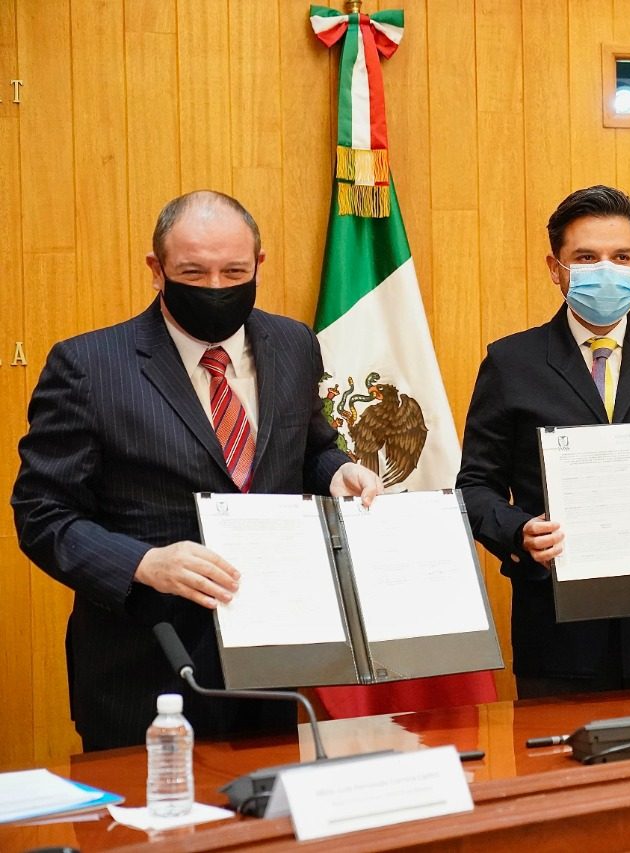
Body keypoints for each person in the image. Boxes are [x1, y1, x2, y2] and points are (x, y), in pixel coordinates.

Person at [11, 190, 381, 750]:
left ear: (259, 264)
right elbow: (42, 515)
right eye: (193, 272)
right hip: (145, 670)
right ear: (156, 271)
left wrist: (335, 472)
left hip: (271, 661)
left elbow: (307, 448)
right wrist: (143, 562)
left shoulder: (293, 344)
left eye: (233, 271)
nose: (214, 288)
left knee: (267, 828)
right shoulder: (88, 366)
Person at [457, 185, 630, 698]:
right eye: (586, 257)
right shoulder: (510, 363)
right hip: (560, 640)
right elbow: (475, 488)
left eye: (620, 257)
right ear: (555, 267)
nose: (605, 269)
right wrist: (520, 532)